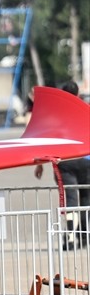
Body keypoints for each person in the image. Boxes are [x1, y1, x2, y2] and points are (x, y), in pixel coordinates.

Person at [56, 81, 90, 249]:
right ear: (77, 93)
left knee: (70, 201)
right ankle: (84, 238)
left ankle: (69, 239)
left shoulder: (58, 112)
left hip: (65, 160)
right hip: (86, 159)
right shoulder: (85, 109)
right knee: (86, 199)